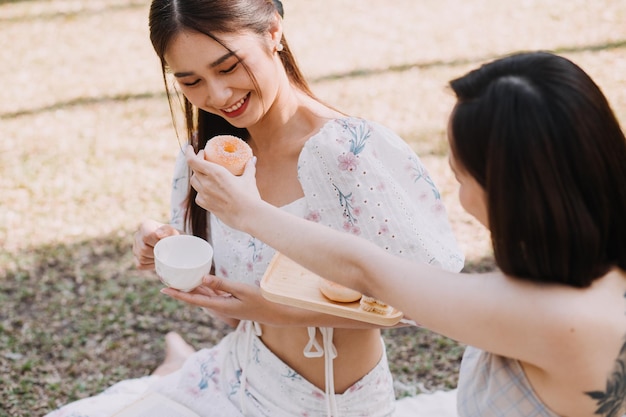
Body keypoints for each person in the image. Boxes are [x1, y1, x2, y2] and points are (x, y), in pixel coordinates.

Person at [45, 0, 463, 416]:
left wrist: (280, 312)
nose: (218, 95)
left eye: (228, 67)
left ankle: (174, 365)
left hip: (332, 405)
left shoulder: (347, 152)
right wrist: (166, 248)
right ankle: (179, 368)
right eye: (191, 81)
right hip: (231, 377)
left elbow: (431, 301)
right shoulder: (205, 156)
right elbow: (230, 314)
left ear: (273, 32)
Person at [183, 51, 626, 417]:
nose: (460, 194)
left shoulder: (553, 319)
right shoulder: (594, 286)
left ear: (513, 190)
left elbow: (368, 271)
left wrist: (249, 213)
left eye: (459, 175)